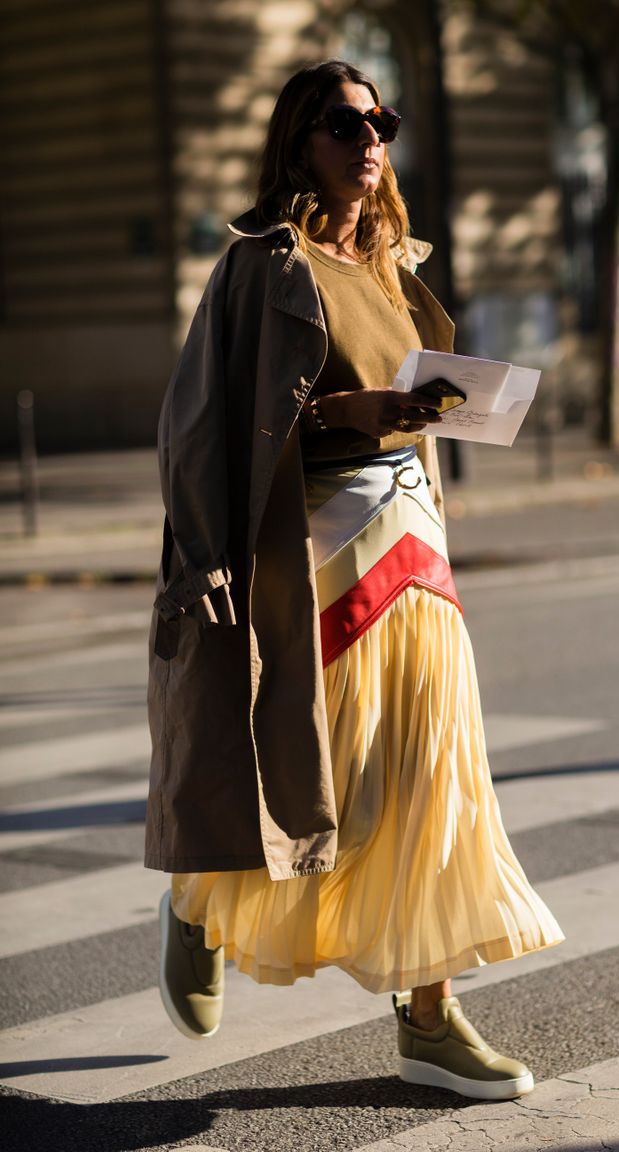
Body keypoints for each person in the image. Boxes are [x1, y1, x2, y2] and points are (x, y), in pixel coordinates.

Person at [146, 59, 563, 1101]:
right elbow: (204, 429)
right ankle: (199, 898)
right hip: (315, 564)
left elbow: (407, 407)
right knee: (306, 775)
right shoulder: (264, 265)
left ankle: (430, 1016)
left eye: (382, 119)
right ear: (300, 142)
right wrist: (345, 415)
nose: (370, 136)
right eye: (345, 122)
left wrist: (432, 410)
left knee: (437, 787)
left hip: (420, 554)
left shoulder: (390, 262)